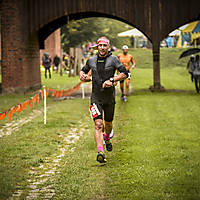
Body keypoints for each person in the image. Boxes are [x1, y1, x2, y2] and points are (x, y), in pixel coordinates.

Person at [80, 37, 128, 163]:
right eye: (100, 45)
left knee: (108, 124)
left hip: (109, 98)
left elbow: (125, 73)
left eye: (104, 45)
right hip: (95, 98)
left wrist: (112, 80)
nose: (102, 47)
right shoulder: (91, 60)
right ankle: (100, 151)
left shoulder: (114, 60)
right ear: (97, 47)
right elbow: (83, 72)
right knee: (98, 124)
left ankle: (107, 138)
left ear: (108, 47)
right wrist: (83, 76)